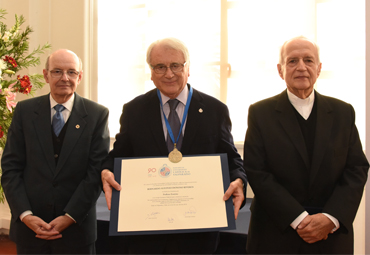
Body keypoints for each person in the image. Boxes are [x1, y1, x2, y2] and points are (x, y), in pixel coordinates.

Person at [101, 37, 247, 254]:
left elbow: (232, 159)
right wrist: (106, 170)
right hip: (147, 235)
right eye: (160, 67)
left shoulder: (215, 110)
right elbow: (119, 155)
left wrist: (239, 181)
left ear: (188, 68)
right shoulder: (134, 110)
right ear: (151, 72)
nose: (168, 74)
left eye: (175, 65)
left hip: (199, 234)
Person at [243, 35, 369, 254]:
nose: (301, 67)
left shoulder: (343, 112)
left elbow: (356, 169)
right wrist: (299, 219)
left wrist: (330, 218)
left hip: (331, 235)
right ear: (280, 70)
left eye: (308, 60)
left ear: (319, 68)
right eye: (292, 61)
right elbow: (257, 171)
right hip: (276, 233)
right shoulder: (260, 113)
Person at [1, 49, 110, 254]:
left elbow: (95, 172)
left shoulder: (97, 115)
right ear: (46, 75)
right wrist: (25, 215)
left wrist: (69, 217)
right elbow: (10, 168)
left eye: (71, 72)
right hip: (30, 230)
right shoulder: (24, 112)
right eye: (57, 71)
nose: (64, 78)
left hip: (77, 230)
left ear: (80, 76)